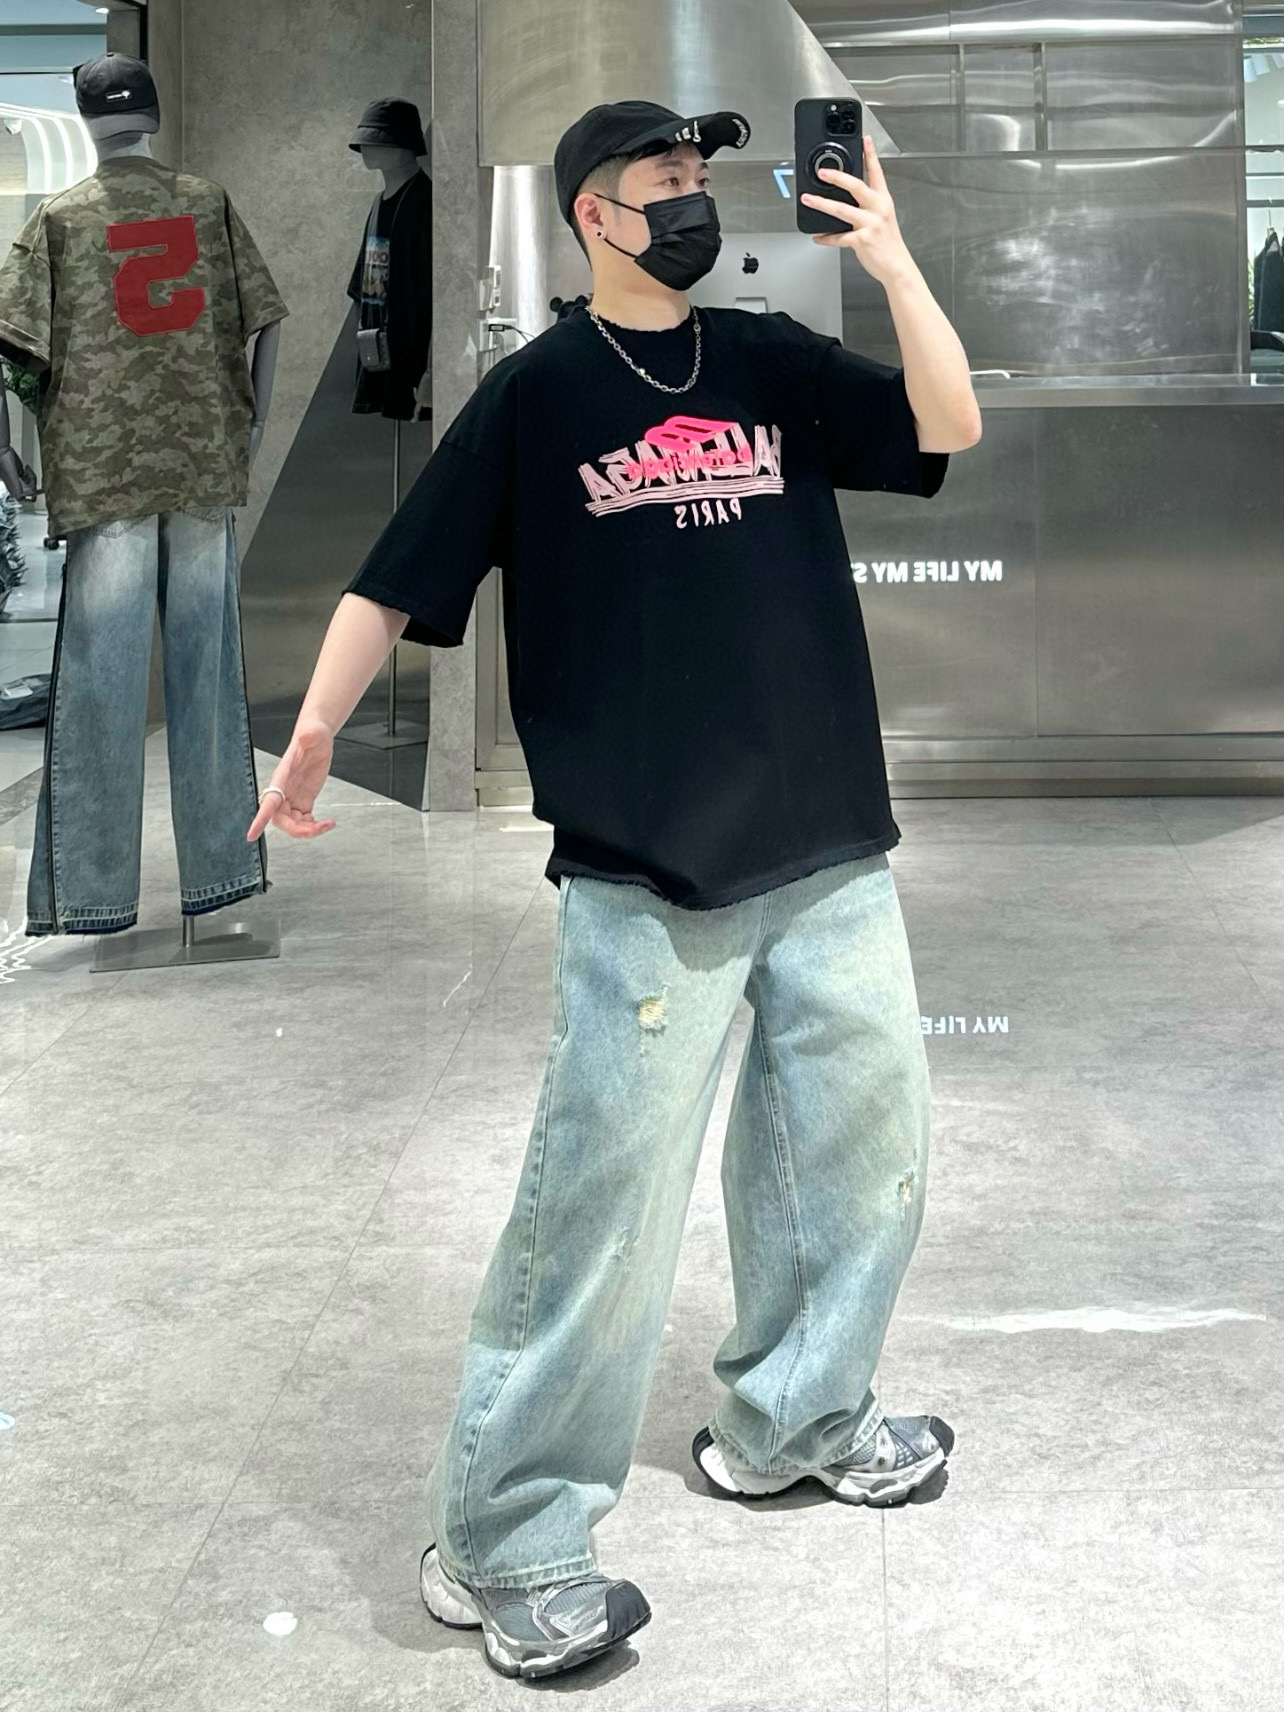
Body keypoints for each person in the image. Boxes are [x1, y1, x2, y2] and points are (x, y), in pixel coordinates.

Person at [247, 100, 982, 1684]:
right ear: (595, 212)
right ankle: (503, 1536)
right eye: (666, 179)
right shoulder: (537, 394)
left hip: (829, 841)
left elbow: (948, 428)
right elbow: (396, 577)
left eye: (702, 177)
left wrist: (895, 259)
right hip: (648, 869)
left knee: (863, 1165)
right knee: (600, 1212)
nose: (694, 198)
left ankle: (795, 1421)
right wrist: (307, 741)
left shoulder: (767, 359)